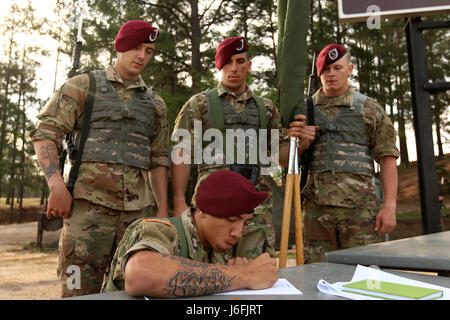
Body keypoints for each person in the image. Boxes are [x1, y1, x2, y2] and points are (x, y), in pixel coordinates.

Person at [30, 20, 169, 297]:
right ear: (120, 46)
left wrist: (162, 212)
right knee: (77, 292)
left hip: (137, 218)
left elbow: (159, 160)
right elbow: (46, 133)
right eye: (136, 47)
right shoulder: (83, 86)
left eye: (149, 51)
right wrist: (56, 185)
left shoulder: (156, 104)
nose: (142, 55)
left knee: (132, 294)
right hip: (86, 214)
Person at [171, 37, 291, 259]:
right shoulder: (199, 104)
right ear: (219, 66)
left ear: (249, 65)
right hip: (212, 210)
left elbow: (281, 157)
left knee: (256, 279)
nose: (234, 68)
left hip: (255, 212)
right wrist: (179, 202)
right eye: (227, 62)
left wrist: (299, 141)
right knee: (206, 276)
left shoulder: (266, 109)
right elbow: (181, 154)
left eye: (240, 61)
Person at [288, 44, 400, 263]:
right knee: (316, 276)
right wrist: (302, 143)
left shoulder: (370, 109)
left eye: (337, 67)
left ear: (350, 69)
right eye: (326, 69)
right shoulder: (303, 111)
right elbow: (285, 161)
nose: (331, 74)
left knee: (363, 276)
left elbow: (387, 159)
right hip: (315, 213)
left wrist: (390, 206)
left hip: (360, 212)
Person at [102, 170, 278, 297]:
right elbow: (140, 274)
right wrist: (243, 275)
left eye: (245, 223)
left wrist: (234, 270)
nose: (238, 233)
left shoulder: (216, 251)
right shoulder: (161, 230)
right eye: (231, 219)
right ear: (201, 210)